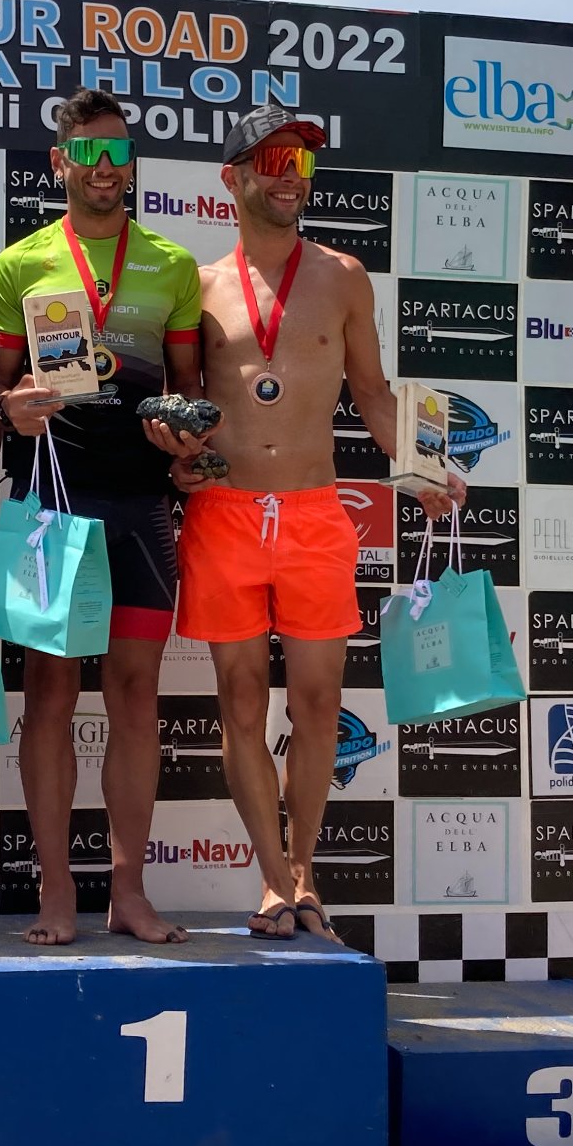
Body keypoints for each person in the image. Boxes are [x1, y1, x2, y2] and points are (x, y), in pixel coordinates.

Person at [166, 106, 464, 940]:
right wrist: (177, 454)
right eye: (270, 161)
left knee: (321, 701)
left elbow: (373, 393)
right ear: (231, 179)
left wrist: (423, 467)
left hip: (313, 512)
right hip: (224, 514)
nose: (288, 176)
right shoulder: (197, 285)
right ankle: (271, 881)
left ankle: (305, 872)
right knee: (239, 699)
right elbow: (183, 404)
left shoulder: (343, 276)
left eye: (299, 162)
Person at [0, 88, 204, 946]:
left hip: (141, 503)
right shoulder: (20, 264)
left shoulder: (172, 265)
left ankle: (129, 891)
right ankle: (56, 891)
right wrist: (10, 410)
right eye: (89, 154)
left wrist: (185, 440)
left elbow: (189, 389)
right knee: (49, 693)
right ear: (60, 163)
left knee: (137, 694)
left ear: (131, 165)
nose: (105, 169)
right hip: (53, 498)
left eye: (118, 154)